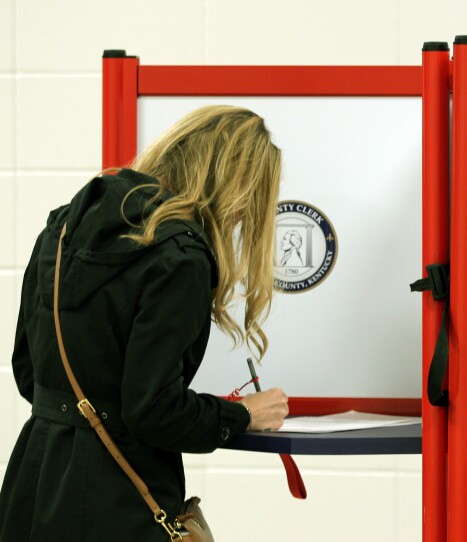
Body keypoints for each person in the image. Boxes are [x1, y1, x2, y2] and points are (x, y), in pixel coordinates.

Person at [0, 105, 290, 541]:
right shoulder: (180, 257)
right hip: (117, 500)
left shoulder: (61, 228)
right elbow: (152, 411)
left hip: (34, 482)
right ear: (235, 188)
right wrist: (241, 414)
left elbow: (27, 371)